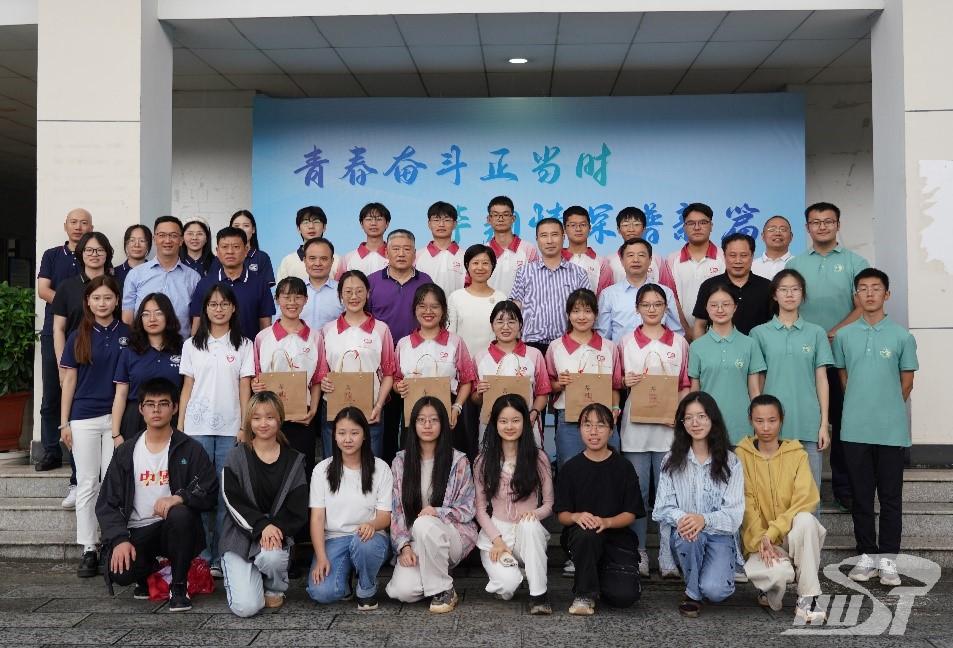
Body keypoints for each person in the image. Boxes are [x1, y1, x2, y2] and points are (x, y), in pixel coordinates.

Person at [96, 377, 218, 612]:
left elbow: (209, 490)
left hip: (173, 529)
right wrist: (119, 539)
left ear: (174, 408)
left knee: (180, 514)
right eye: (150, 404)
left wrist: (180, 497)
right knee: (120, 573)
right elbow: (106, 503)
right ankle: (148, 572)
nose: (156, 410)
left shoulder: (190, 449)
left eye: (163, 404)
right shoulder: (126, 451)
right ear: (141, 409)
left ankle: (179, 586)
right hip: (137, 531)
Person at [834, 268, 918, 586]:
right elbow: (844, 378)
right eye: (863, 288)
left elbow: (906, 383)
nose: (869, 293)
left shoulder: (902, 336)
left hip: (890, 430)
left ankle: (889, 561)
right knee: (861, 496)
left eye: (876, 288)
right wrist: (862, 406)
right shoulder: (844, 336)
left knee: (891, 498)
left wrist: (886, 409)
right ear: (856, 295)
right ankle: (866, 556)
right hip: (855, 429)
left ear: (887, 294)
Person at [786, 201, 870, 512]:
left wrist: (833, 331)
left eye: (828, 221)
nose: (822, 227)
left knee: (842, 421)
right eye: (816, 222)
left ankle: (844, 489)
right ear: (807, 227)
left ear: (838, 225)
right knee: (801, 418)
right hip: (802, 359)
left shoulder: (854, 262)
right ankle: (797, 487)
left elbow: (864, 305)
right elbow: (787, 305)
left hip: (842, 357)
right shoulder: (795, 264)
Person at [179, 283, 255, 577]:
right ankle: (202, 555)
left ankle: (222, 555)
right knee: (199, 492)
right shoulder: (192, 345)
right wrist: (181, 425)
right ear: (205, 309)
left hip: (230, 429)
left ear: (233, 308)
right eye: (213, 304)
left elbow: (245, 387)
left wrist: (243, 426)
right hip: (196, 427)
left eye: (224, 304)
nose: (219, 309)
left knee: (226, 494)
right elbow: (187, 387)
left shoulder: (244, 345)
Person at [58, 275, 131, 578]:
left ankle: (114, 541)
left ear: (117, 300)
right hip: (84, 417)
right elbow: (69, 381)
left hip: (117, 418)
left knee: (114, 483)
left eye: (108, 298)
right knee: (88, 483)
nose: (102, 303)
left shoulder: (128, 334)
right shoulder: (78, 335)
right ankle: (89, 547)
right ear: (88, 301)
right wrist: (64, 423)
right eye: (96, 298)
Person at [618, 283, 691, 578]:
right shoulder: (625, 343)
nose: (652, 309)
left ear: (665, 308)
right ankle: (638, 552)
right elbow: (615, 382)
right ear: (637, 308)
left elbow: (685, 385)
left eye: (657, 304)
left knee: (668, 494)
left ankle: (667, 552)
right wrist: (624, 381)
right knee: (638, 494)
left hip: (668, 430)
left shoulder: (679, 343)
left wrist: (680, 414)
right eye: (646, 304)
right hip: (635, 429)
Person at [736, 395, 827, 624]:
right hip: (760, 542)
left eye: (772, 420)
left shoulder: (797, 454)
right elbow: (746, 505)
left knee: (806, 520)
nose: (766, 427)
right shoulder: (741, 456)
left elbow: (805, 499)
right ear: (751, 421)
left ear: (781, 420)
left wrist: (773, 532)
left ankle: (807, 599)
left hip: (790, 538)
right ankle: (769, 589)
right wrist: (762, 539)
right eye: (759, 421)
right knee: (779, 574)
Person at [653, 392, 745, 618]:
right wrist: (686, 519)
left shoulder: (731, 461)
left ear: (713, 419)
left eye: (702, 416)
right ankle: (692, 593)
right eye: (689, 417)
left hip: (719, 534)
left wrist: (703, 519)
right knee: (689, 534)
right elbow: (662, 507)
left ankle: (704, 579)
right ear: (682, 423)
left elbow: (734, 514)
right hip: (686, 534)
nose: (695, 423)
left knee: (716, 591)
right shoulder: (671, 460)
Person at [220, 391, 309, 616]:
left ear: (280, 419)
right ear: (249, 421)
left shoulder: (294, 459)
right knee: (247, 607)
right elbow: (231, 500)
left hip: (275, 535)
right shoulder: (236, 456)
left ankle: (274, 587)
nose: (263, 423)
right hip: (240, 535)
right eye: (257, 418)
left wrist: (274, 528)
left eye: (269, 417)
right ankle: (250, 578)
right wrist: (261, 526)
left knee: (272, 557)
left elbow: (297, 506)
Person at [385, 398, 477, 614]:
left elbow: (468, 508)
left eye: (434, 420)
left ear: (443, 424)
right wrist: (404, 546)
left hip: (452, 535)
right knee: (402, 592)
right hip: (416, 538)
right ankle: (438, 576)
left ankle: (444, 590)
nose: (427, 425)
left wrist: (437, 512)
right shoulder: (400, 462)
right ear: (413, 424)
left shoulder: (458, 461)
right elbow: (397, 511)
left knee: (424, 523)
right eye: (421, 420)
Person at [749, 269, 832, 496]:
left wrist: (824, 423)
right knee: (774, 494)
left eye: (795, 289)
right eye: (783, 289)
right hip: (771, 427)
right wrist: (759, 421)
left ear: (802, 294)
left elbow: (822, 379)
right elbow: (756, 381)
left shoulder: (816, 333)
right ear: (774, 295)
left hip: (808, 423)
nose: (789, 294)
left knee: (809, 494)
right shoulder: (759, 333)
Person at [555, 403, 643, 616]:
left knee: (624, 597)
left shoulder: (623, 467)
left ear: (611, 430)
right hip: (582, 538)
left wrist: (607, 522)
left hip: (617, 538)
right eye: (587, 425)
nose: (593, 431)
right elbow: (562, 515)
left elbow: (631, 513)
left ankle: (600, 576)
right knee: (587, 534)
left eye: (600, 425)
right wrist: (576, 516)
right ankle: (584, 594)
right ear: (580, 429)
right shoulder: (571, 468)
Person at [306, 407, 392, 609]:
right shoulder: (322, 470)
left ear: (364, 435)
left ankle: (366, 587)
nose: (348, 439)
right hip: (334, 539)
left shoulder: (380, 468)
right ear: (334, 436)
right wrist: (321, 557)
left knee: (363, 545)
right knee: (321, 592)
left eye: (354, 433)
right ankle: (344, 581)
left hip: (369, 537)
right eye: (342, 433)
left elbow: (385, 516)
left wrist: (372, 525)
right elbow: (317, 518)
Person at [474, 395, 553, 614]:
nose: (510, 426)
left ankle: (539, 596)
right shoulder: (483, 461)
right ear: (495, 424)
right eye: (503, 421)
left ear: (525, 422)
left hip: (528, 533)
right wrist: (497, 540)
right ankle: (523, 573)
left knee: (530, 525)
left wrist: (534, 514)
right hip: (497, 533)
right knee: (507, 588)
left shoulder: (538, 458)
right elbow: (480, 509)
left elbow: (549, 504)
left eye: (516, 420)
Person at [36, 208, 93, 480]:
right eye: (73, 222)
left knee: (80, 391)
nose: (78, 227)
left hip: (85, 334)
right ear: (65, 226)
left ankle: (77, 452)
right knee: (52, 393)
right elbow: (43, 289)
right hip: (54, 331)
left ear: (91, 227)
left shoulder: (91, 256)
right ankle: (50, 450)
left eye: (84, 223)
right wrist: (69, 302)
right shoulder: (52, 255)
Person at [368, 229, 433, 462]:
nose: (401, 253)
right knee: (385, 424)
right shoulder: (372, 281)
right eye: (396, 249)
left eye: (407, 249)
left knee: (415, 425)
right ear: (386, 252)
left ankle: (411, 472)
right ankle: (386, 470)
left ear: (415, 253)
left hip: (415, 365)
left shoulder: (425, 281)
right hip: (382, 367)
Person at [316, 270, 396, 458]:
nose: (354, 296)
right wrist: (324, 381)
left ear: (368, 293)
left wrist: (379, 405)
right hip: (334, 406)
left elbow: (389, 373)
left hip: (371, 408)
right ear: (340, 295)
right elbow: (322, 372)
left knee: (371, 463)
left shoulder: (381, 329)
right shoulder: (327, 330)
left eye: (359, 291)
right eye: (348, 291)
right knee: (333, 463)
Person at [252, 277, 323, 478]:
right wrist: (256, 385)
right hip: (269, 416)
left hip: (302, 416)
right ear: (277, 299)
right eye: (286, 297)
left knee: (302, 470)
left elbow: (318, 378)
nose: (292, 302)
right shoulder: (263, 337)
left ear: (306, 300)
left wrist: (313, 410)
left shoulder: (315, 337)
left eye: (298, 297)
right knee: (270, 470)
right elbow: (256, 375)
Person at [394, 283, 476, 456]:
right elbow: (395, 380)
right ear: (414, 309)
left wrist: (457, 407)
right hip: (413, 413)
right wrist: (398, 387)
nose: (428, 311)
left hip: (448, 413)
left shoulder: (455, 342)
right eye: (422, 306)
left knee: (449, 461)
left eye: (434, 306)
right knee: (414, 461)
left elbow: (467, 380)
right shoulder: (403, 344)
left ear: (443, 310)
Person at [546, 288, 622, 468]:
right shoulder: (556, 347)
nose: (581, 316)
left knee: (609, 470)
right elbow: (547, 385)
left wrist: (615, 408)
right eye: (576, 311)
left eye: (588, 311)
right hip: (569, 419)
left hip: (604, 418)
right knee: (570, 470)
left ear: (596, 315)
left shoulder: (609, 347)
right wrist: (559, 384)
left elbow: (615, 385)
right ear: (568, 314)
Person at [688, 284, 765, 445]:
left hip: (742, 426)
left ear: (735, 307)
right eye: (714, 305)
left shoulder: (749, 344)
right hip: (707, 426)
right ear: (706, 308)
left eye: (726, 304)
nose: (720, 309)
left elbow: (754, 390)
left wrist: (759, 420)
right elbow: (695, 391)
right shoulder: (696, 347)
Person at [471, 300, 551, 446]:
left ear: (520, 324)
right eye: (500, 321)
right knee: (491, 459)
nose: (506, 327)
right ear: (492, 325)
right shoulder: (480, 357)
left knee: (528, 459)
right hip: (490, 427)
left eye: (512, 322)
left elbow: (543, 393)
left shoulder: (534, 355)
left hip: (526, 425)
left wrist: (534, 413)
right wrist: (479, 393)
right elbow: (475, 399)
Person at [510, 217, 589, 355]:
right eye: (544, 235)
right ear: (537, 239)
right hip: (531, 346)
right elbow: (514, 310)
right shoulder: (524, 272)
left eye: (554, 235)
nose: (549, 241)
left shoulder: (579, 273)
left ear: (563, 237)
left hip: (568, 345)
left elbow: (587, 311)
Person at [111, 293, 184, 442]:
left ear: (168, 316)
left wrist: (182, 424)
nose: (152, 319)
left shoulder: (182, 349)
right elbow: (121, 394)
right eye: (146, 314)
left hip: (172, 417)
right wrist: (116, 433)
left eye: (158, 313)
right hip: (136, 418)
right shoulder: (129, 352)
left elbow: (186, 390)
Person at [123, 215, 200, 340]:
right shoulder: (135, 274)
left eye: (173, 235)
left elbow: (197, 318)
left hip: (180, 346)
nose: (167, 240)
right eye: (162, 235)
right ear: (154, 239)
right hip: (143, 346)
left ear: (181, 240)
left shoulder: (193, 278)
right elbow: (127, 318)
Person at [190, 226, 275, 340]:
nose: (230, 252)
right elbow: (197, 324)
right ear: (217, 251)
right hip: (212, 349)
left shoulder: (260, 284)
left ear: (246, 250)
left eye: (236, 247)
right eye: (224, 247)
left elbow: (265, 326)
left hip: (249, 349)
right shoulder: (205, 284)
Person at [596, 238, 683, 343]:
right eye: (630, 255)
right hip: (621, 352)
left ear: (650, 260)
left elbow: (676, 333)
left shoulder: (666, 292)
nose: (636, 260)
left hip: (658, 352)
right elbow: (603, 337)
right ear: (622, 261)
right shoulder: (608, 294)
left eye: (641, 255)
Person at [53, 232, 116, 366]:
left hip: (112, 358)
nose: (94, 254)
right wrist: (62, 363)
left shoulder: (117, 286)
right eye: (89, 250)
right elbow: (59, 328)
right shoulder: (66, 287)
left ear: (107, 254)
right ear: (81, 253)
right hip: (76, 356)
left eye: (100, 250)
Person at [692, 233, 773, 338]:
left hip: (757, 347)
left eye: (743, 255)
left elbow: (773, 325)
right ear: (724, 256)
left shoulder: (767, 286)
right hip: (719, 347)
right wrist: (699, 347)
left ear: (752, 256)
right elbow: (700, 325)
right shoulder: (709, 285)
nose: (738, 261)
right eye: (732, 255)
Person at [665, 203, 725, 335]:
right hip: (681, 334)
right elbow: (670, 298)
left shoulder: (724, 257)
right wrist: (686, 330)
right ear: (684, 227)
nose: (697, 227)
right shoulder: (672, 259)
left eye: (703, 222)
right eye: (691, 223)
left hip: (720, 332)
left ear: (711, 226)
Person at [446, 244, 507, 367]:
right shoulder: (456, 297)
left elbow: (504, 335)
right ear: (467, 265)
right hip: (462, 364)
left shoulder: (501, 298)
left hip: (493, 365)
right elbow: (450, 335)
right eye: (475, 263)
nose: (480, 267)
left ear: (492, 266)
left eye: (485, 263)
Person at [608, 206, 678, 292]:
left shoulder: (657, 259)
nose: (631, 229)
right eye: (625, 225)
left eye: (636, 224)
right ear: (618, 229)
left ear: (644, 228)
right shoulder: (609, 261)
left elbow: (667, 289)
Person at [485, 196, 537, 296]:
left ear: (513, 218)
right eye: (495, 215)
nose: (500, 219)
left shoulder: (528, 249)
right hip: (490, 305)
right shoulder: (483, 251)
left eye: (505, 214)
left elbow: (536, 283)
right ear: (489, 219)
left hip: (521, 306)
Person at [208, 209, 275, 287]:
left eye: (246, 225)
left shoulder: (262, 257)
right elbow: (212, 286)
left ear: (253, 229)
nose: (241, 229)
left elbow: (264, 289)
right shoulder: (220, 258)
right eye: (236, 226)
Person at [415, 201, 467, 296]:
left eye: (447, 220)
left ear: (455, 224)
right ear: (429, 224)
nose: (441, 224)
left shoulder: (466, 256)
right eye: (436, 220)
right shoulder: (417, 256)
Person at [276, 206, 341, 282]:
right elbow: (280, 289)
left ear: (324, 227)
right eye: (305, 222)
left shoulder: (337, 260)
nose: (311, 226)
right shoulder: (288, 261)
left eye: (316, 222)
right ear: (298, 228)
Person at [561, 205, 613, 294]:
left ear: (590, 228)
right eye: (573, 225)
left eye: (583, 225)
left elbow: (605, 297)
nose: (578, 229)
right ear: (564, 229)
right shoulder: (556, 259)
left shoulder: (601, 263)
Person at [335, 202, 391, 280]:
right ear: (361, 224)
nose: (373, 223)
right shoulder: (348, 258)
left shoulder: (395, 256)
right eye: (368, 219)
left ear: (387, 224)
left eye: (379, 219)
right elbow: (339, 284)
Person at [299, 236, 344, 332]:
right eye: (312, 258)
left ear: (332, 261)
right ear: (305, 260)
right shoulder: (293, 290)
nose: (317, 263)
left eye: (323, 259)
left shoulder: (343, 291)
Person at [751, 215, 793, 280]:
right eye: (772, 229)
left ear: (791, 236)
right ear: (763, 236)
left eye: (783, 230)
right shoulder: (751, 266)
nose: (777, 233)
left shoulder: (798, 264)